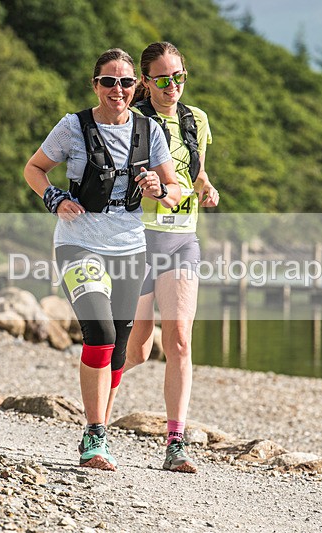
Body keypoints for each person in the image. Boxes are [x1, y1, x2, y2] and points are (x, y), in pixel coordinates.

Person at [24, 48, 180, 471]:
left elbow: (176, 190)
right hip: (79, 242)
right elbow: (34, 169)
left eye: (126, 82)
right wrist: (54, 197)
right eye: (109, 81)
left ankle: (100, 431)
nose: (118, 90)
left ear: (138, 86)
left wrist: (159, 189)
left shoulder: (150, 131)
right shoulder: (73, 126)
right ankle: (94, 435)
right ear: (95, 85)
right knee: (99, 331)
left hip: (130, 246)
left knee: (119, 349)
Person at [104, 42, 219, 473]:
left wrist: (206, 187)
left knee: (179, 343)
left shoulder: (196, 120)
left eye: (181, 77)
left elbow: (197, 170)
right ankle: (97, 428)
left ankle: (176, 444)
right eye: (164, 79)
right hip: (136, 241)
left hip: (182, 240)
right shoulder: (131, 123)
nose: (174, 87)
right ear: (146, 82)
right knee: (135, 350)